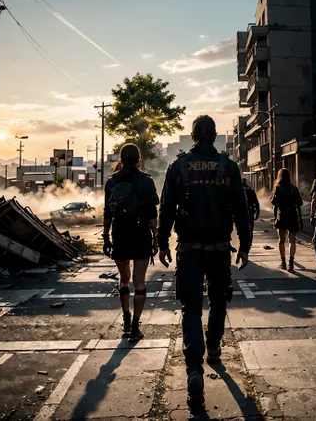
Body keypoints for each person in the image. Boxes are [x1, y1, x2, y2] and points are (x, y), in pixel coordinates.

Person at [157, 115, 251, 413]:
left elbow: (166, 209)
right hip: (220, 248)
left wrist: (161, 243)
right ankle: (213, 349)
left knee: (191, 307)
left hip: (189, 250)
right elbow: (241, 209)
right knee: (219, 301)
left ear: (194, 135)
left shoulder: (178, 167)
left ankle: (194, 370)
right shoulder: (228, 167)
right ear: (214, 136)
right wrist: (245, 246)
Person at [102, 144, 159, 341]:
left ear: (121, 158)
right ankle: (135, 325)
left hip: (120, 235)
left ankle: (125, 319)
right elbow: (152, 214)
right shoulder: (145, 181)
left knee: (124, 278)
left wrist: (105, 236)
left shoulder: (111, 182)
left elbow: (107, 213)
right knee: (139, 281)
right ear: (138, 159)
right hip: (141, 234)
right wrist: (156, 238)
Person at [270, 168, 303, 272]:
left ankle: (283, 262)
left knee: (281, 240)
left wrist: (275, 218)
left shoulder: (278, 188)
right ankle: (291, 262)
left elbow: (274, 204)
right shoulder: (294, 188)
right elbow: (299, 204)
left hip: (282, 216)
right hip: (293, 216)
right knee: (292, 240)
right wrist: (300, 220)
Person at [242, 178, 260, 247]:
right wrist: (257, 212)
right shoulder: (251, 191)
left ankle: (243, 243)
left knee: (242, 229)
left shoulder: (238, 191)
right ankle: (249, 243)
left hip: (241, 213)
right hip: (250, 212)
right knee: (250, 229)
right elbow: (256, 203)